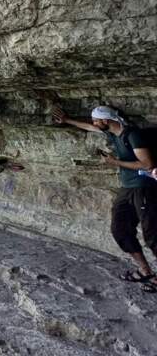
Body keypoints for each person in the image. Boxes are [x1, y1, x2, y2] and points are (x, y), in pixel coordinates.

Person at [53, 105, 157, 293]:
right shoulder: (112, 133)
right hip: (127, 189)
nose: (94, 123)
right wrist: (67, 120)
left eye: (96, 120)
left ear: (106, 120)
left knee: (153, 235)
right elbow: (91, 128)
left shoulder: (132, 135)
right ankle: (145, 270)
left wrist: (114, 162)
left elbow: (148, 164)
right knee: (120, 229)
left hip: (144, 189)